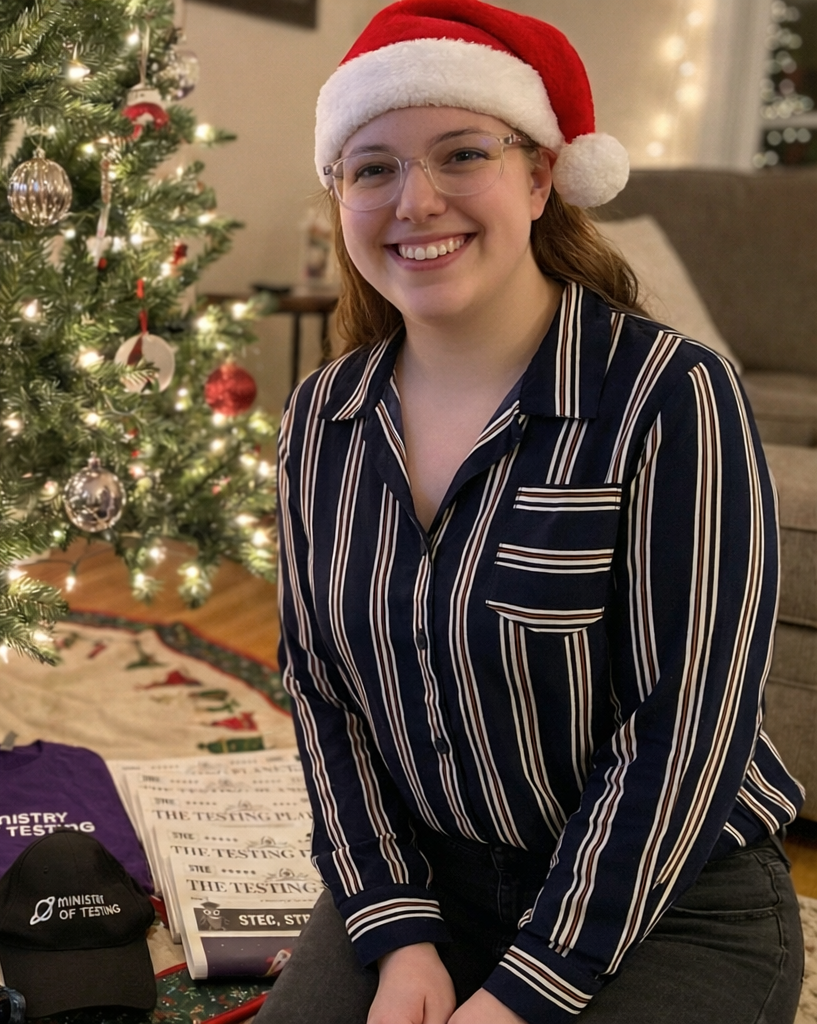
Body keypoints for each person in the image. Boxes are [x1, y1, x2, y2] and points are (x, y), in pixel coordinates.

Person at [265, 3, 805, 1024]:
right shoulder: (322, 415)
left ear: (541, 174)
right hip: (433, 878)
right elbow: (320, 689)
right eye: (372, 167)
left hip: (673, 896)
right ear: (341, 194)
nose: (415, 201)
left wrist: (529, 986)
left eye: (460, 153)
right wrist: (397, 928)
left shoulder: (671, 397)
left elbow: (687, 726)